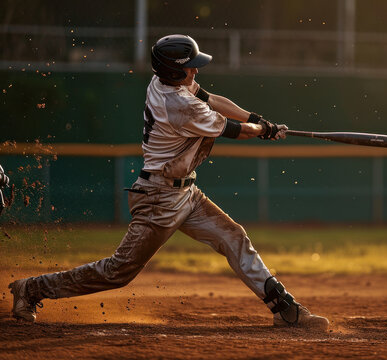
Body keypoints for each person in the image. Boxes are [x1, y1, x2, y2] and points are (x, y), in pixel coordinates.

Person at [9, 35, 329, 330]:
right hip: (158, 198)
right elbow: (235, 130)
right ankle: (32, 288)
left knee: (234, 237)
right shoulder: (179, 106)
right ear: (176, 73)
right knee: (118, 271)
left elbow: (213, 98)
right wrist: (263, 131)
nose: (195, 72)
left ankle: (286, 309)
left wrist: (256, 118)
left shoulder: (165, 83)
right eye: (190, 67)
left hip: (186, 193)